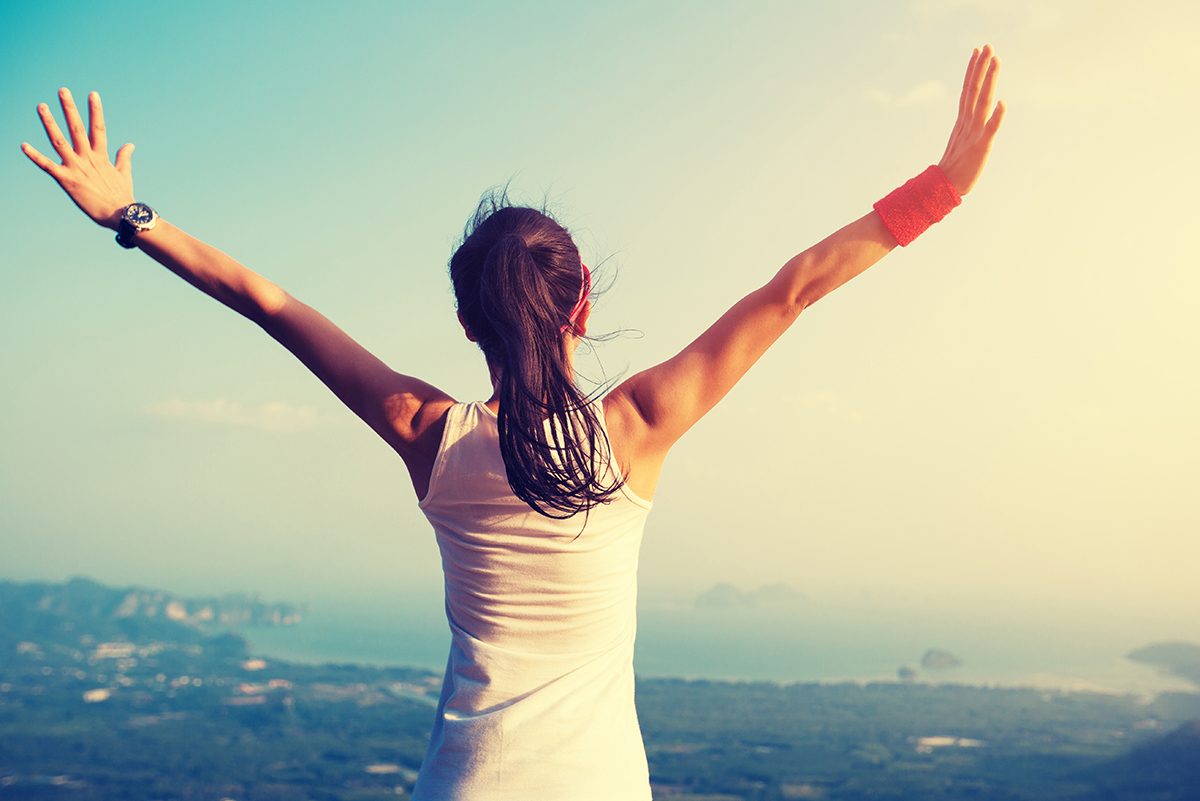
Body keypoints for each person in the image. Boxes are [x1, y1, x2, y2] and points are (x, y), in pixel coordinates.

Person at [21, 43, 1005, 801]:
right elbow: (793, 291)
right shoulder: (640, 428)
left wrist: (130, 215)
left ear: (465, 323)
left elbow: (271, 304)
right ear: (582, 307)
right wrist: (945, 188)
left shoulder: (427, 432)